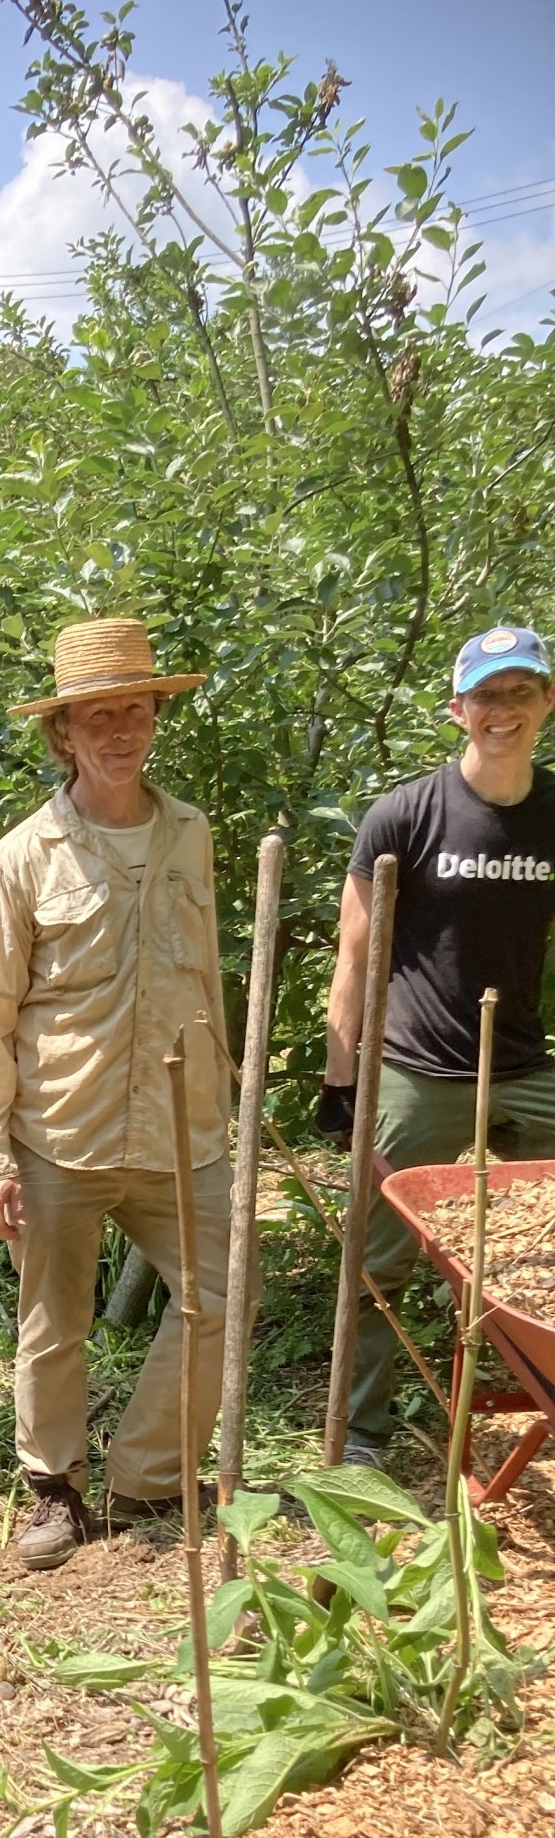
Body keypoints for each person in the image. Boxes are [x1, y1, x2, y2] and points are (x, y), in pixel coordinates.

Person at [0, 617, 230, 1571]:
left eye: (135, 709)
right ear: (63, 734)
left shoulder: (191, 833)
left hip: (182, 1129)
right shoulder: (21, 859)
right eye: (96, 715)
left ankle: (150, 1474)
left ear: (156, 714)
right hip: (58, 1130)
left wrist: (226, 1096)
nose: (120, 729)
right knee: (53, 1322)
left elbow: (206, 980)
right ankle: (55, 1490)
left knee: (223, 1294)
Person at [324, 623, 555, 1467]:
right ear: (458, 709)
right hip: (418, 1071)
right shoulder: (405, 816)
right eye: (487, 695)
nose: (504, 710)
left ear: (547, 703)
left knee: (546, 1250)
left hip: (526, 1068)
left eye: (520, 692)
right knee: (379, 1259)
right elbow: (354, 956)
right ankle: (361, 1434)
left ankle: (536, 1395)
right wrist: (343, 1082)